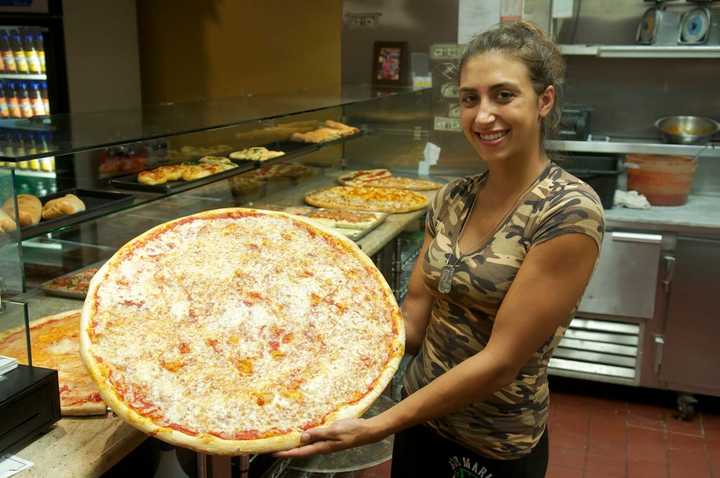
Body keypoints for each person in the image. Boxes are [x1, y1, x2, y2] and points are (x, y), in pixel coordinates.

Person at [278, 21, 605, 478]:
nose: (482, 115)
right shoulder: (453, 199)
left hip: (492, 441)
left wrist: (379, 425)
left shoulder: (566, 211)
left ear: (544, 101)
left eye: (503, 95)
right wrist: (315, 335)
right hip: (420, 421)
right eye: (470, 98)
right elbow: (412, 321)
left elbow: (501, 362)